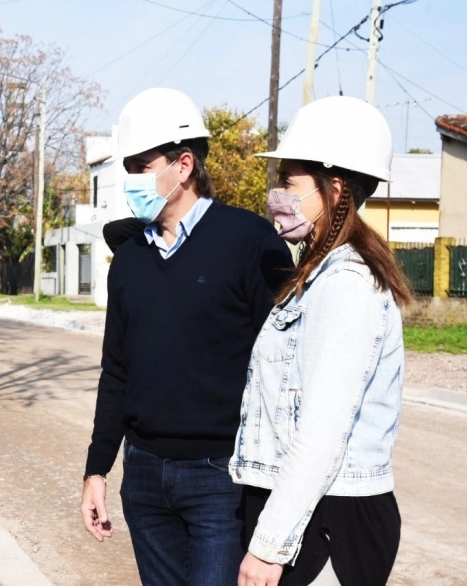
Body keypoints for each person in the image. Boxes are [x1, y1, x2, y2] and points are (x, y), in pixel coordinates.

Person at [80, 87, 294, 585]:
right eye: (127, 167)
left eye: (140, 164)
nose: (131, 178)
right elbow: (116, 370)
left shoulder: (248, 241)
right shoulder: (130, 258)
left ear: (183, 165)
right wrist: (96, 471)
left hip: (221, 478)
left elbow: (283, 367)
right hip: (145, 478)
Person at [230, 96, 412, 586]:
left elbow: (322, 433)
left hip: (332, 518)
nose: (277, 195)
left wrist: (269, 546)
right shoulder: (317, 275)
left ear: (333, 189)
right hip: (314, 511)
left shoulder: (346, 284)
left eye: (289, 182)